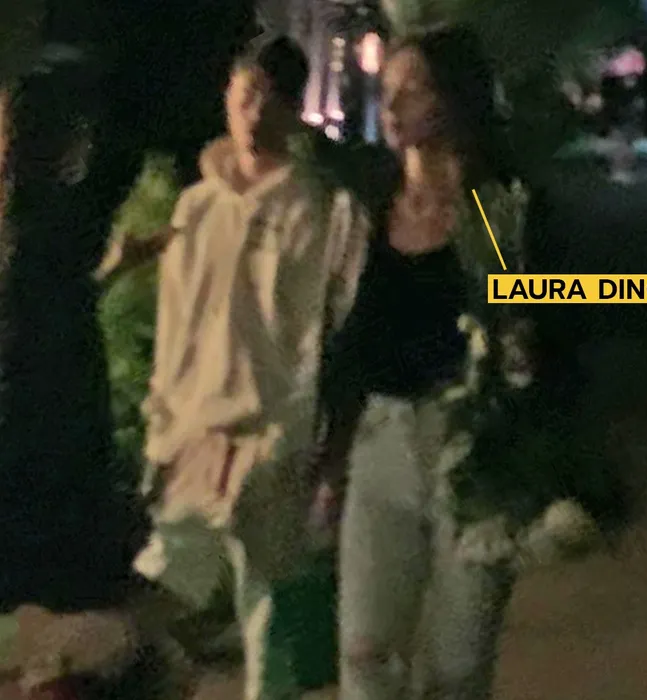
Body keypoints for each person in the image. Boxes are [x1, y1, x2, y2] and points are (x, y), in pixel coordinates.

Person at [116, 36, 369, 700]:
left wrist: (314, 443)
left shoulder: (318, 209)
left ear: (292, 110)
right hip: (195, 434)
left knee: (270, 615)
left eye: (270, 99)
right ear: (227, 97)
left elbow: (326, 328)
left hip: (273, 435)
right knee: (163, 592)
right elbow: (176, 328)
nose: (254, 113)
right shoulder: (196, 207)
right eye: (245, 95)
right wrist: (162, 421)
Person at [315, 25, 522, 700]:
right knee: (365, 652)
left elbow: (546, 302)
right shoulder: (368, 209)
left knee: (457, 668)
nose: (395, 105)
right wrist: (329, 459)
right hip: (381, 442)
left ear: (456, 99)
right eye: (388, 89)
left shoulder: (493, 209)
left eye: (416, 89)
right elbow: (344, 341)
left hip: (472, 446)